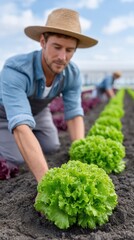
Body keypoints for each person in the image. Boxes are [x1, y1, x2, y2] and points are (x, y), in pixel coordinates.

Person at [0, 8, 98, 182]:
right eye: (57, 47)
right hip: (5, 114)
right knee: (16, 159)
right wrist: (46, 182)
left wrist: (81, 162)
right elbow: (20, 123)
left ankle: (28, 143)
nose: (62, 57)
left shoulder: (72, 73)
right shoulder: (16, 69)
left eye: (69, 50)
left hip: (38, 111)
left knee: (52, 146)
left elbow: (74, 114)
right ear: (43, 42)